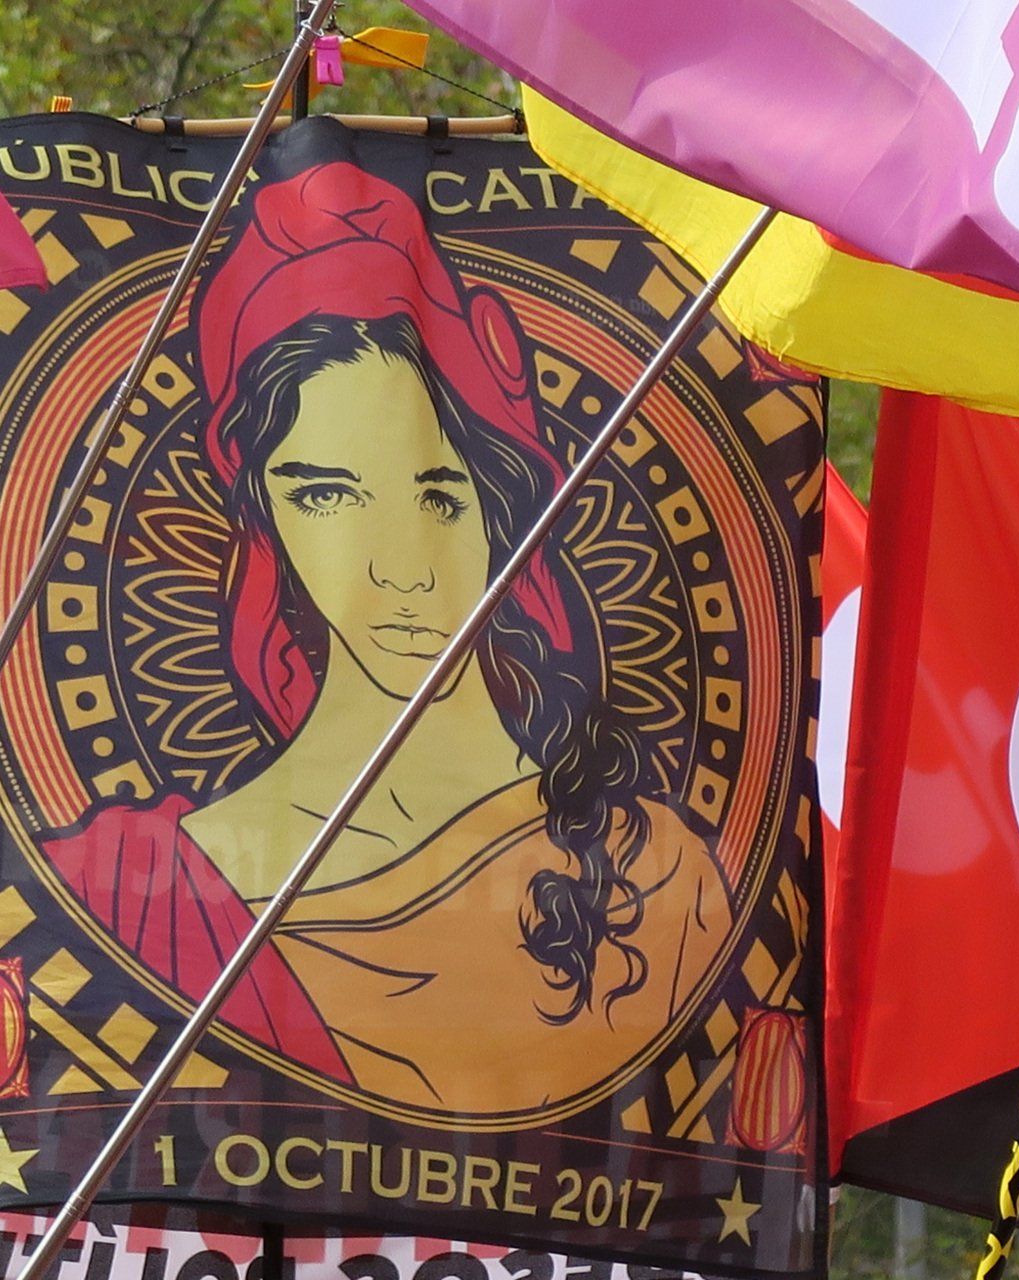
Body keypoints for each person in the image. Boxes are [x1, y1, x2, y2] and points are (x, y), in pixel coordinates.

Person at [43, 161, 731, 1114]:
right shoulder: (129, 889)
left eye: (439, 497)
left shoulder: (656, 873)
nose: (400, 572)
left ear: (503, 506)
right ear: (264, 516)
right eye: (328, 496)